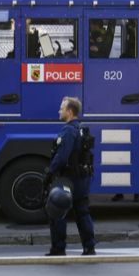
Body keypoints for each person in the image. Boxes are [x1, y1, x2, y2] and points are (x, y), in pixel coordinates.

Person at [46, 97, 96, 256]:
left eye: (62, 108)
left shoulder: (68, 131)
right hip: (82, 178)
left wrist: (49, 173)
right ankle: (89, 248)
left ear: (69, 111)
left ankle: (58, 248)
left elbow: (61, 157)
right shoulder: (82, 129)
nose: (59, 111)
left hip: (68, 179)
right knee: (82, 212)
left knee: (58, 211)